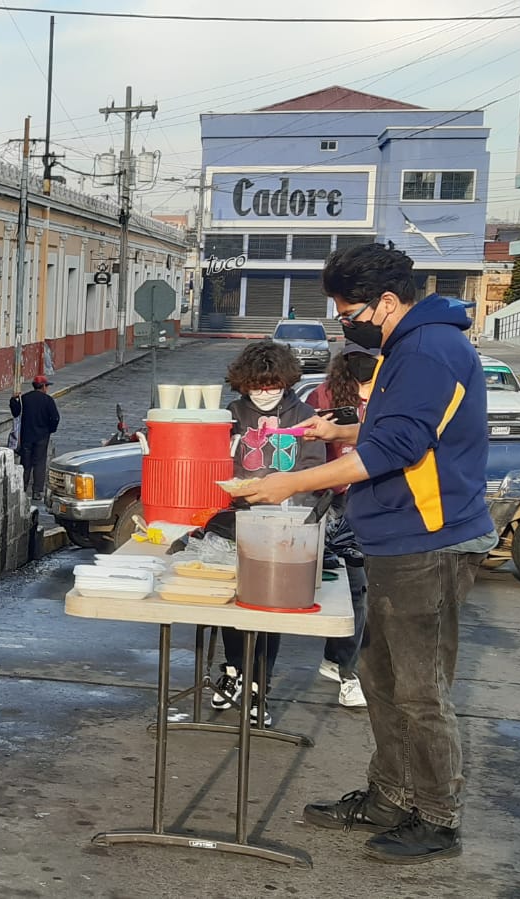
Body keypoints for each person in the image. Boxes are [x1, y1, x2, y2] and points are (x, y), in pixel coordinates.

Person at [242, 244, 495, 864]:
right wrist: (345, 429)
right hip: (398, 537)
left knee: (419, 688)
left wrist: (287, 484)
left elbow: (402, 448)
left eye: (348, 309)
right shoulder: (409, 346)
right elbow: (409, 429)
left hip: (427, 540)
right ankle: (390, 796)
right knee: (380, 676)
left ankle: (436, 817)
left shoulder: (430, 349)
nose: (342, 321)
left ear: (388, 302)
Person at [211, 340, 324, 728]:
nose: (264, 391)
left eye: (272, 384)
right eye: (257, 385)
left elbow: (313, 471)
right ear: (244, 384)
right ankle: (232, 670)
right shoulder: (233, 414)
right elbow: (217, 458)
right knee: (233, 601)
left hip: (283, 523)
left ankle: (261, 683)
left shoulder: (305, 414)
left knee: (270, 606)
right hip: (237, 518)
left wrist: (288, 494)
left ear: (286, 381)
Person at [306, 343, 381, 709]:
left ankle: (341, 664)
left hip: (376, 500)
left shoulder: (393, 392)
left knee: (358, 591)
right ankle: (346, 669)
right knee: (348, 589)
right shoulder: (326, 395)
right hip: (336, 501)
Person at [10, 375, 60, 501]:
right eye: (46, 386)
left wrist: (13, 400)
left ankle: (23, 487)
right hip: (42, 436)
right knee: (39, 463)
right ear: (43, 386)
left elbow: (15, 413)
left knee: (25, 463)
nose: (47, 388)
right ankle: (37, 491)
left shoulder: (25, 398)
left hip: (26, 436)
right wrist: (51, 429)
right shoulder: (48, 400)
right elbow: (55, 418)